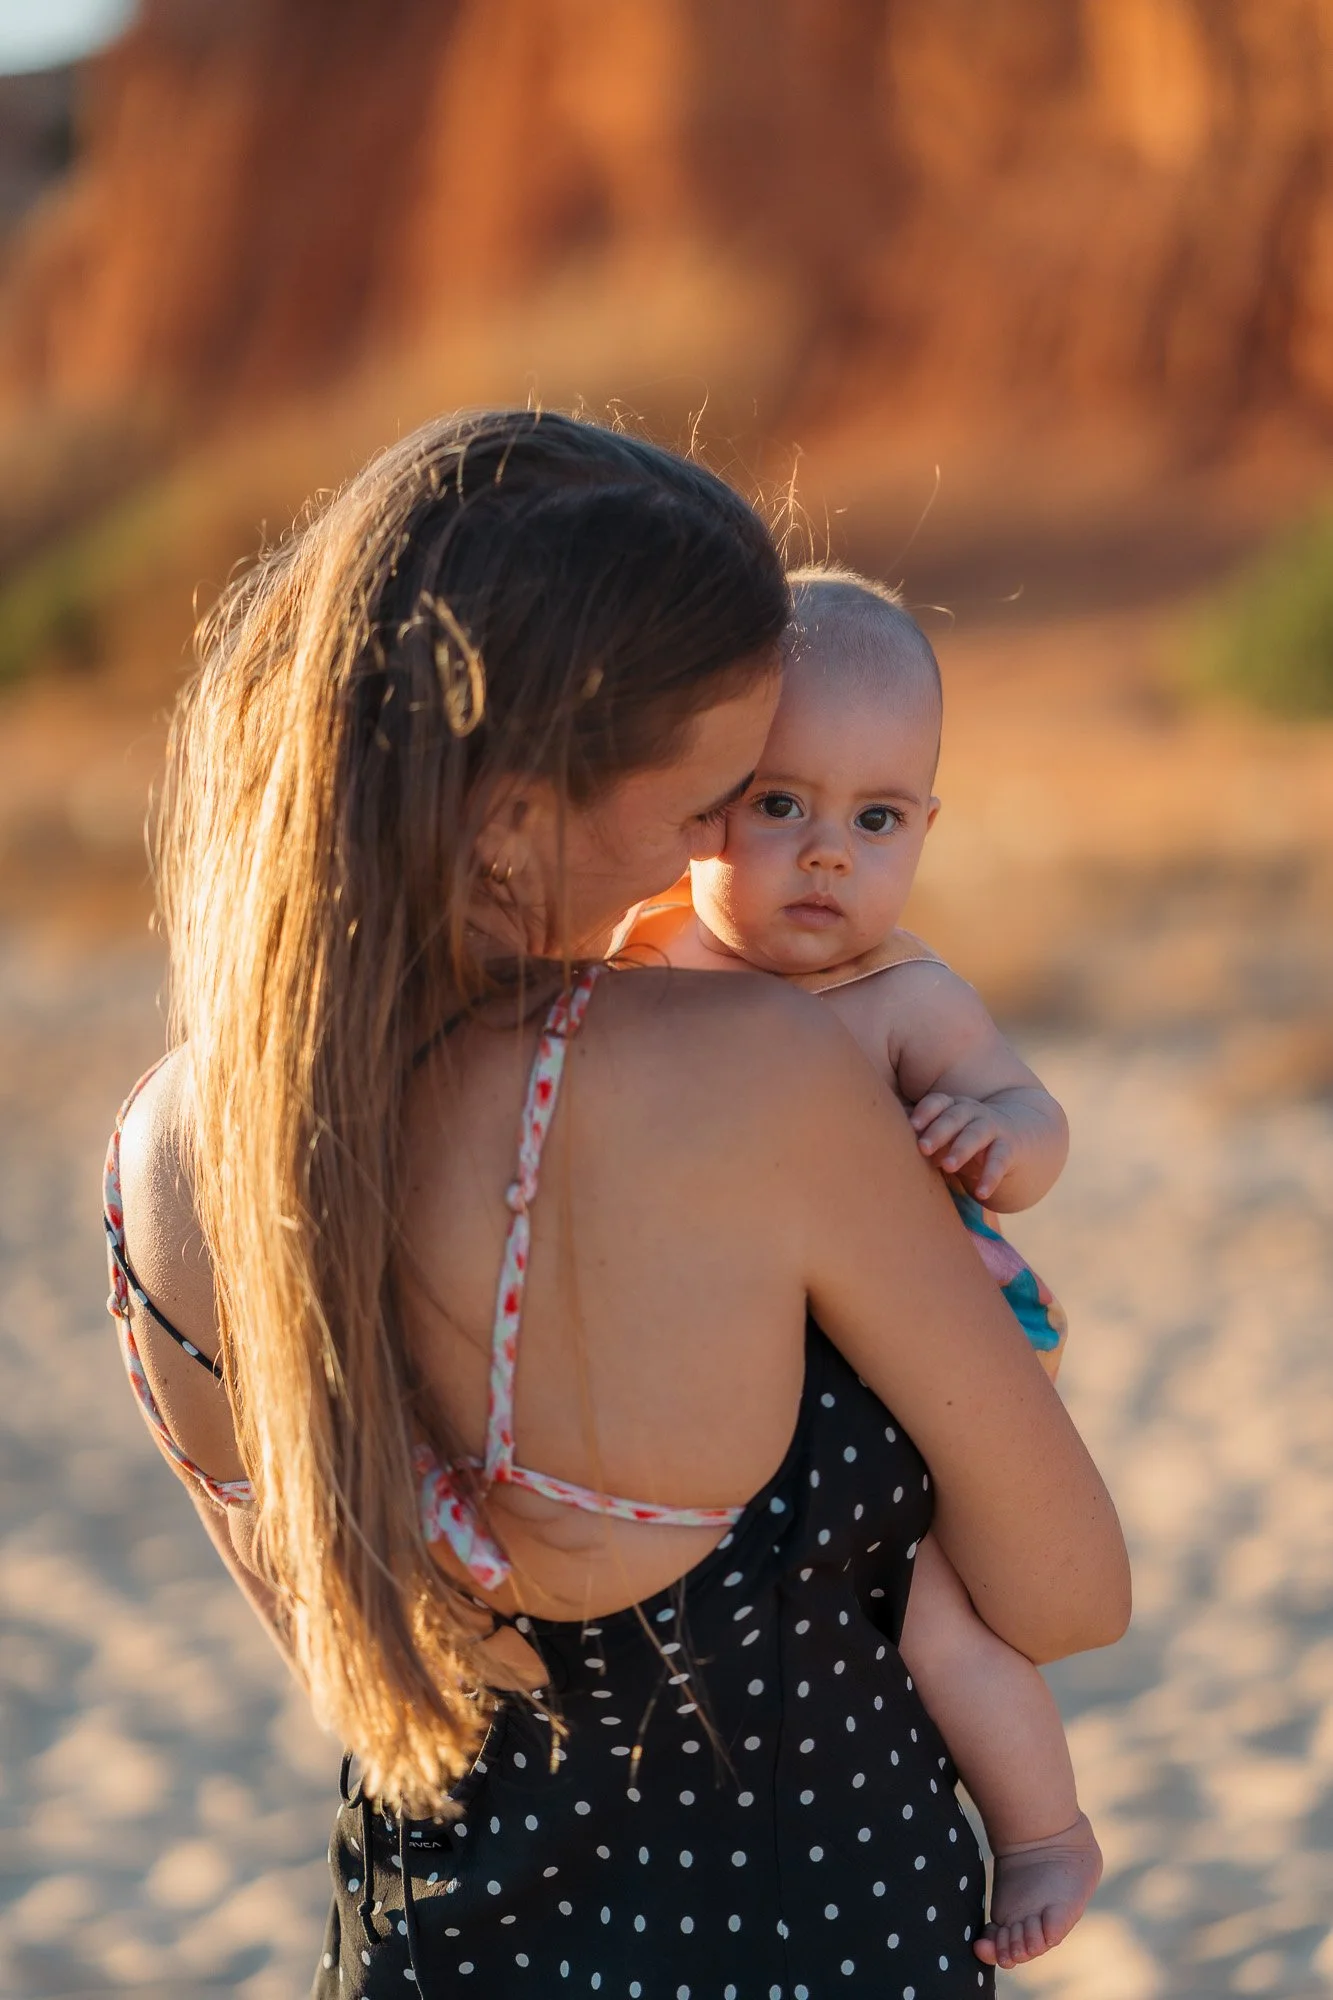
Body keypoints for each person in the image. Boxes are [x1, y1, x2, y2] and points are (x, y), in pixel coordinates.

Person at [103, 410, 1129, 1998]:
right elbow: (1070, 1589)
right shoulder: (750, 1073)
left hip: (426, 1949)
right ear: (521, 810)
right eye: (717, 796)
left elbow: (361, 1664)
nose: (732, 842)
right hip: (809, 1945)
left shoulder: (173, 1147)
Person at [620, 564, 1104, 1968]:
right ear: (695, 804)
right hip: (751, 1352)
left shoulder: (898, 996)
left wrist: (992, 1137)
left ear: (927, 830)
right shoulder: (639, 960)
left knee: (942, 1625)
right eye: (781, 806)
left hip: (930, 1350)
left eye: (877, 819)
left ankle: (1045, 1830)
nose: (829, 854)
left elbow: (1038, 1118)